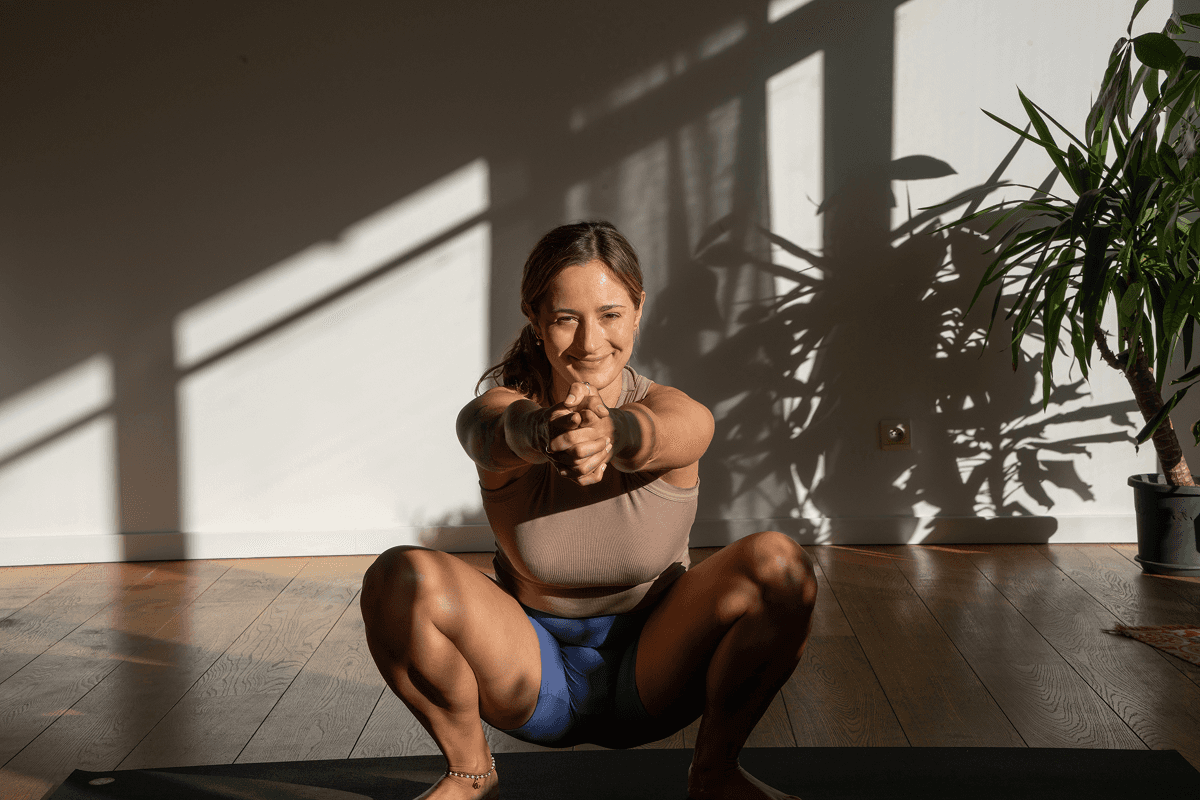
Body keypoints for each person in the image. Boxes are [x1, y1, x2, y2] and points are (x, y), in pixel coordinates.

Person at [360, 221, 818, 800]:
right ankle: (470, 772)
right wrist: (541, 431)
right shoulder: (505, 408)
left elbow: (685, 430)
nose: (589, 341)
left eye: (609, 314)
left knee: (780, 564)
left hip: (654, 666)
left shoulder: (667, 406)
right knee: (397, 578)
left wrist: (616, 433)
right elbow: (487, 430)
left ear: (638, 308)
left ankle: (716, 772)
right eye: (565, 318)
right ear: (534, 317)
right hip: (529, 668)